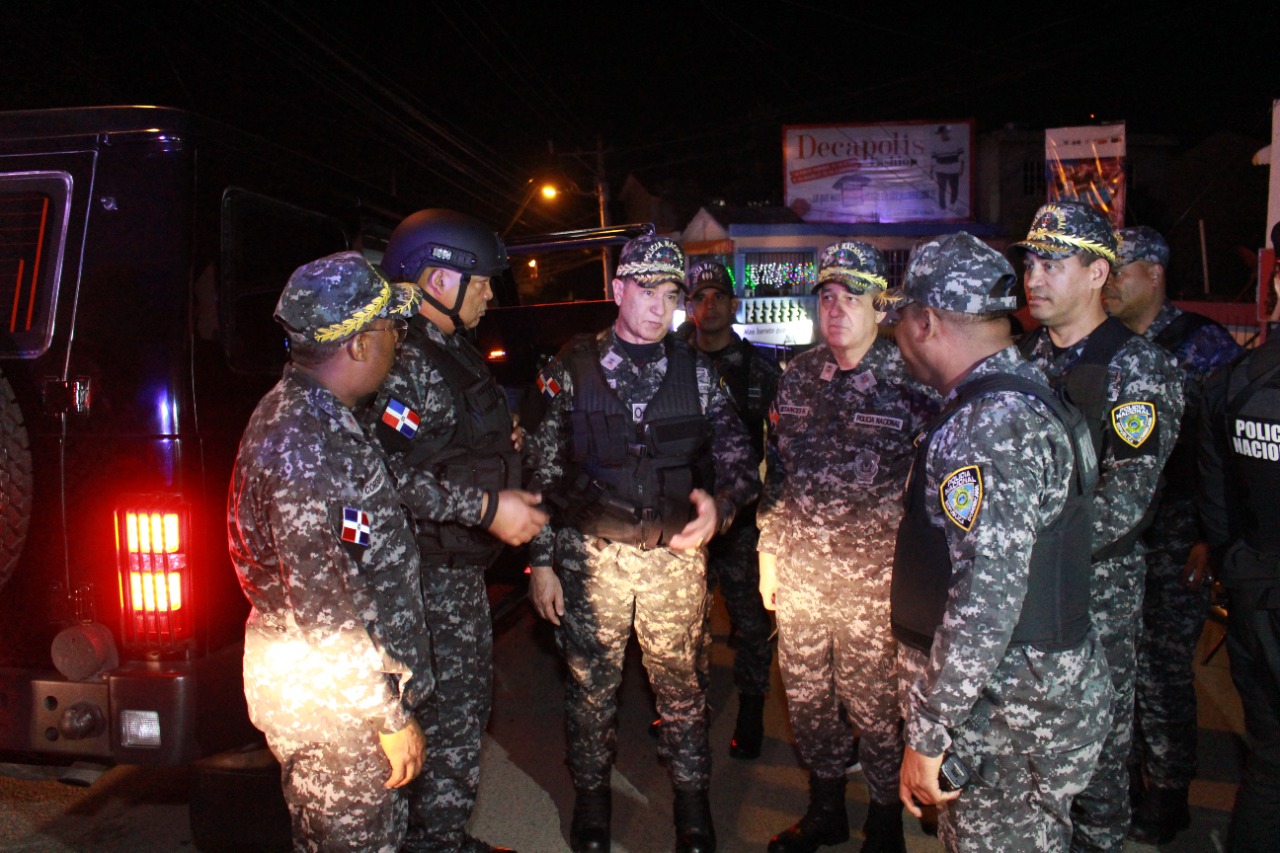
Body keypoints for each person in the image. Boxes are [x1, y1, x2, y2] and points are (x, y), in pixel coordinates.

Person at [526, 234, 759, 853]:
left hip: (673, 561)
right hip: (588, 561)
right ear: (619, 290)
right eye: (648, 291)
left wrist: (723, 508)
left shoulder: (700, 374)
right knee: (589, 692)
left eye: (672, 294)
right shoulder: (572, 366)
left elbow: (741, 462)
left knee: (684, 692)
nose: (661, 306)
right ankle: (593, 804)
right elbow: (541, 471)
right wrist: (541, 562)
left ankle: (691, 806)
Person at [891, 231, 1112, 852]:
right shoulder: (1015, 392)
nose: (897, 335)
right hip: (1021, 702)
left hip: (1009, 717)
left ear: (927, 321)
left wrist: (928, 732)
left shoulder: (990, 425)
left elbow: (986, 599)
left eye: (901, 318)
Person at [226, 251, 430, 852]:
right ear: (361, 345)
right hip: (338, 714)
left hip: (346, 702)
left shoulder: (321, 418)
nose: (398, 341)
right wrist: (388, 718)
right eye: (392, 328)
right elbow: (326, 611)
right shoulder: (303, 446)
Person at [371, 209, 546, 853]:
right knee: (418, 725)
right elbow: (383, 477)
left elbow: (446, 445)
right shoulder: (401, 360)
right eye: (480, 282)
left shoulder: (448, 350)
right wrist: (485, 506)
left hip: (455, 575)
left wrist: (504, 443)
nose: (491, 294)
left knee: (461, 716)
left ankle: (442, 837)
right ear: (439, 280)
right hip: (419, 579)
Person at [758, 240, 939, 853]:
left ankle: (884, 822)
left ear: (879, 306)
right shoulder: (799, 377)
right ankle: (826, 810)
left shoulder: (913, 382)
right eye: (827, 297)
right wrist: (767, 552)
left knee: (876, 711)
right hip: (804, 577)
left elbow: (936, 499)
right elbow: (777, 475)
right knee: (808, 702)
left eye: (851, 298)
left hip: (875, 586)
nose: (836, 310)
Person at [1014, 202, 1184, 853]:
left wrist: (1020, 553)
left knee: (1095, 771)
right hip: (1016, 603)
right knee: (1020, 761)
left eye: (1052, 262)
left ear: (1096, 272)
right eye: (1030, 260)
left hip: (1093, 603)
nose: (1035, 276)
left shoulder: (1138, 369)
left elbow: (1126, 502)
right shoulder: (1018, 360)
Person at [1102, 225, 1244, 843]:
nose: (1108, 281)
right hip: (1115, 535)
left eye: (1120, 268)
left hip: (1179, 532)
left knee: (1162, 665)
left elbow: (1230, 447)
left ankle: (1169, 788)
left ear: (1154, 273)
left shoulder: (1202, 345)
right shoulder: (1100, 345)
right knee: (1116, 662)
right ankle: (1128, 775)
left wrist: (1214, 536)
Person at [1199, 226, 1280, 851]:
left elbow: (1217, 501)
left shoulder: (1233, 382)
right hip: (1257, 587)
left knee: (1270, 762)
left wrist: (1238, 568)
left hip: (1255, 595)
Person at [681, 260, 780, 759]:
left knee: (750, 623)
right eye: (700, 296)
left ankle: (751, 709)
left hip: (741, 520)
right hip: (682, 518)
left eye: (718, 295)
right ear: (691, 306)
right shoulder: (673, 363)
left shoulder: (761, 371)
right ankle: (684, 711)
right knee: (685, 621)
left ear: (733, 304)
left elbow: (780, 450)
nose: (710, 304)